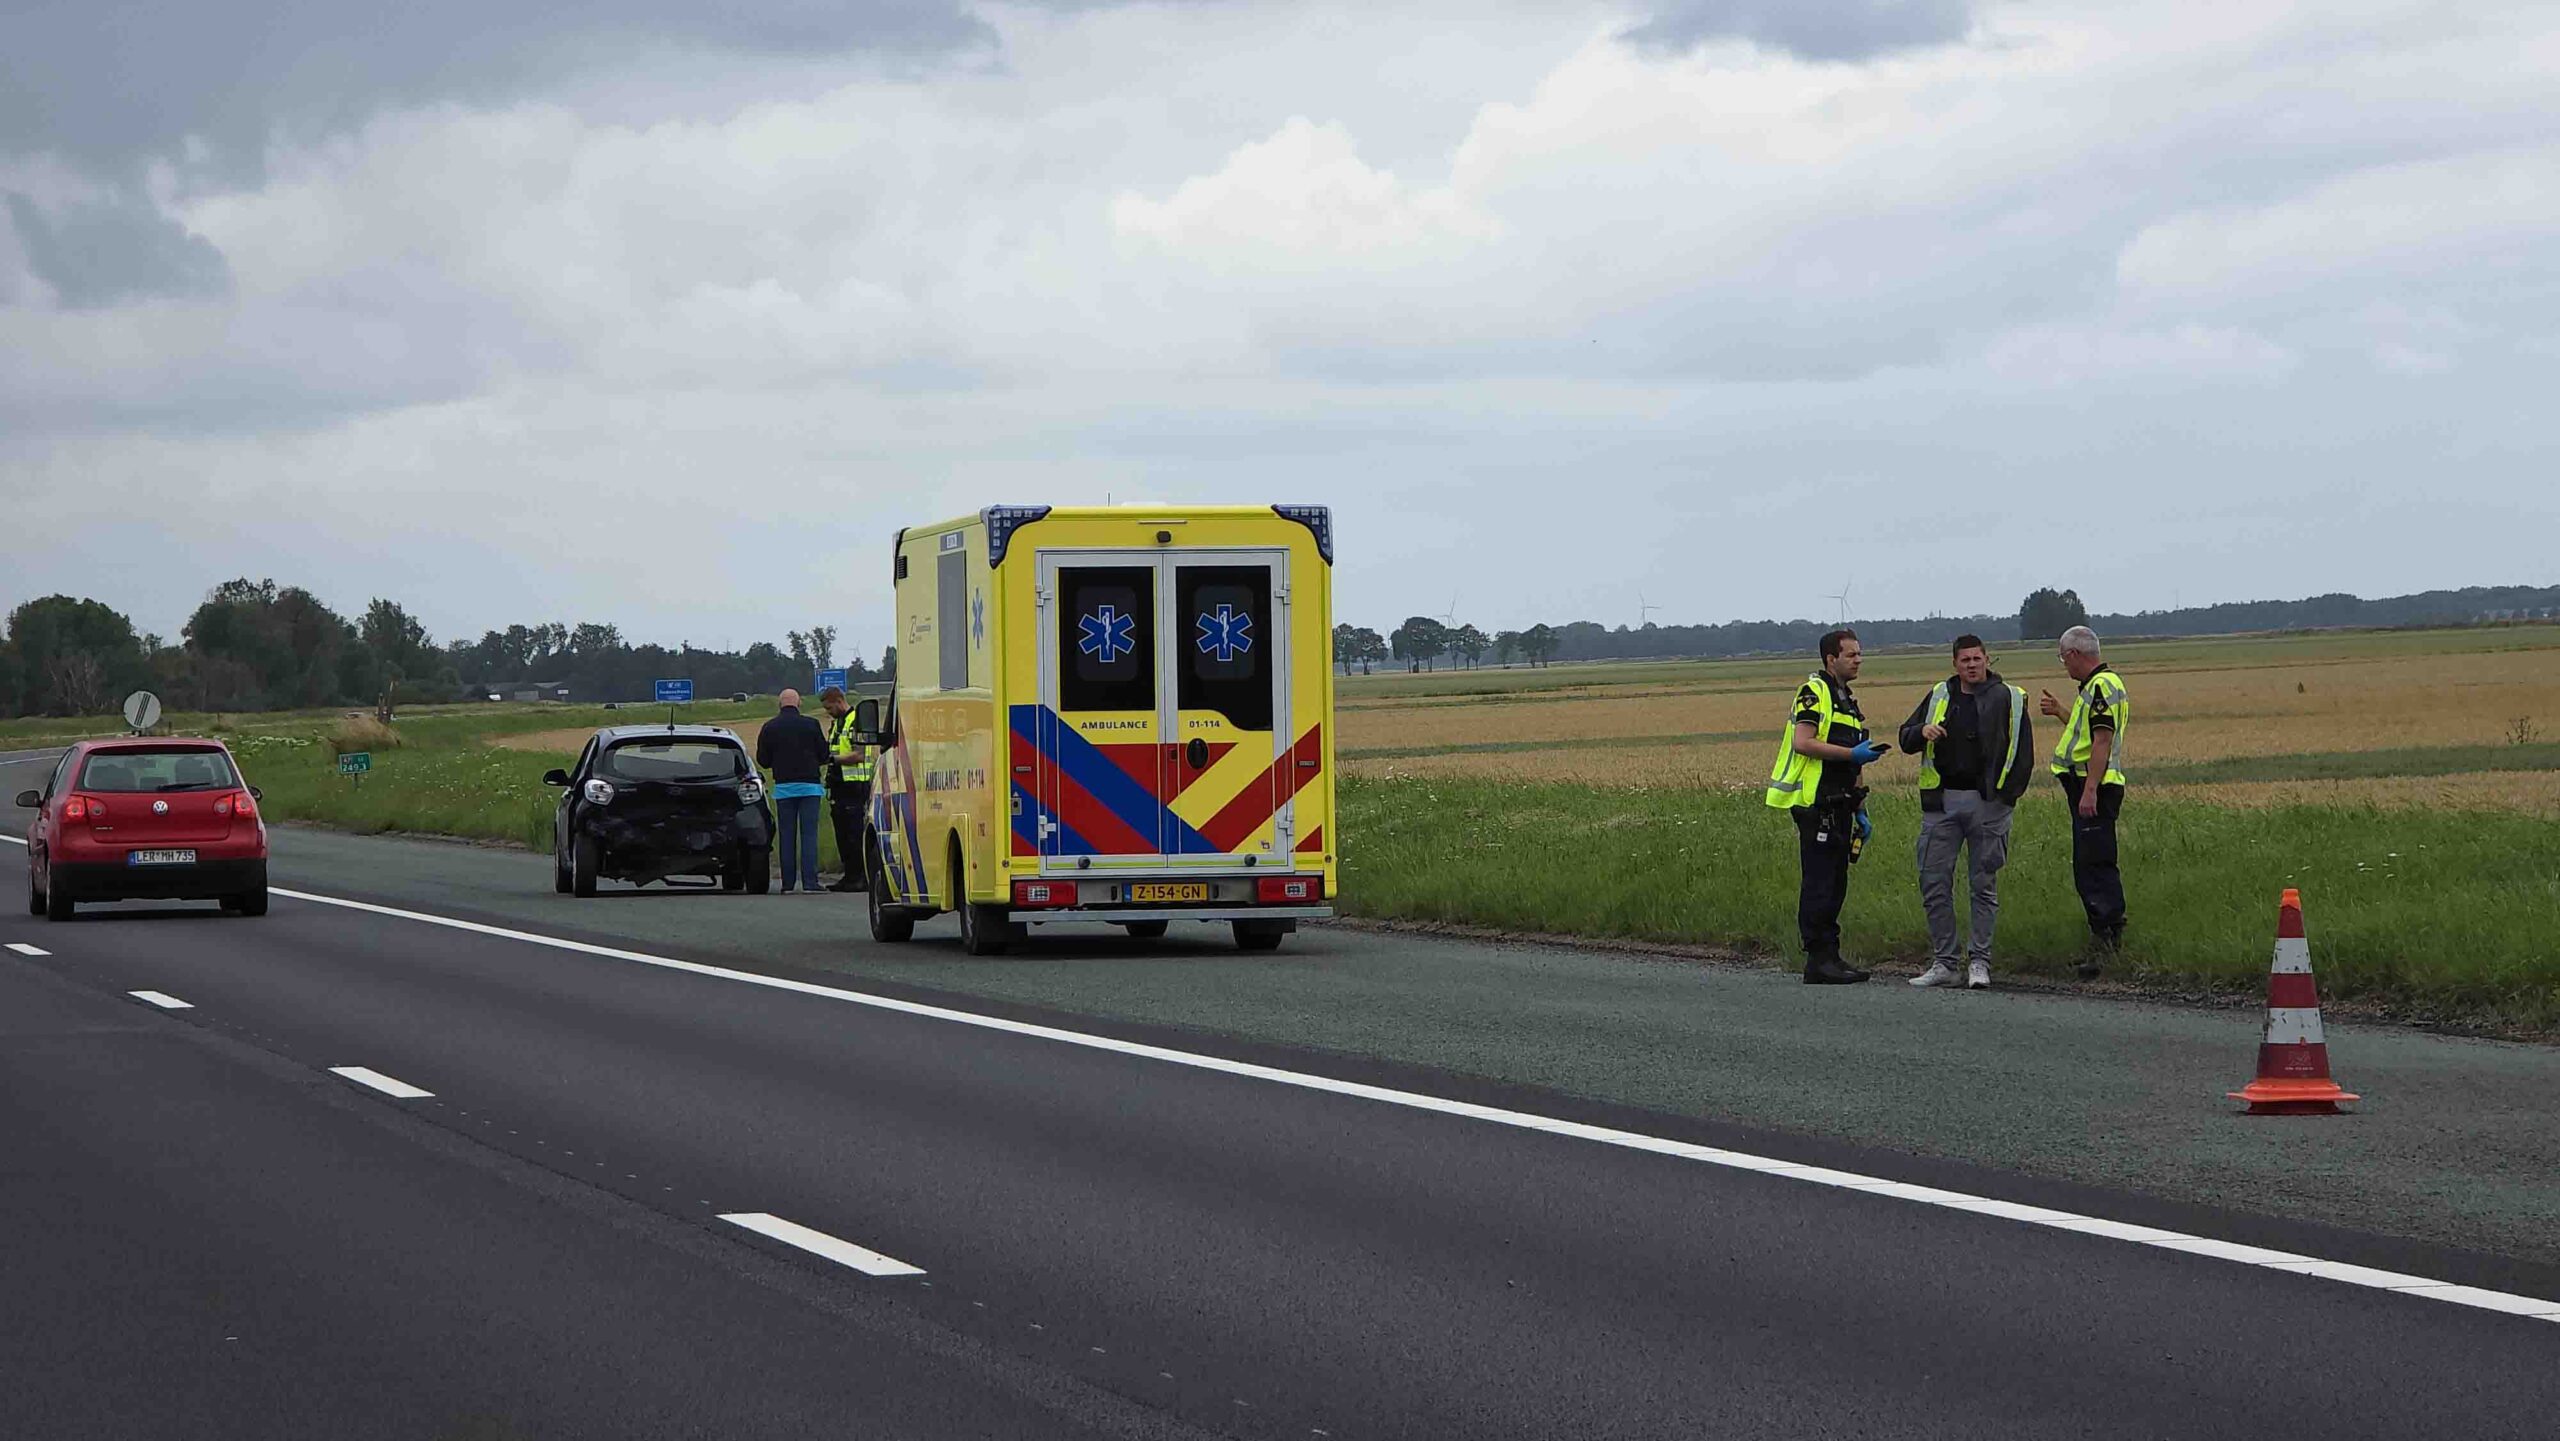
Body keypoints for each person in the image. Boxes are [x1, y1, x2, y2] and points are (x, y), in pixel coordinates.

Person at [1897, 635, 2034, 990]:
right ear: (1955, 664)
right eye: (1965, 660)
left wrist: (2006, 799)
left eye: (1977, 659)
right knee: (1934, 883)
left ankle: (1979, 962)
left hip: (1989, 805)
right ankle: (1945, 963)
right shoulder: (1939, 695)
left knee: (1983, 886)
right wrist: (1922, 731)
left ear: (1987, 659)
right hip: (1941, 804)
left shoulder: (2009, 698)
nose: (1972, 665)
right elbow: (1905, 738)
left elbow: (2023, 754)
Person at [1765, 628, 1894, 984]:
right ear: (1830, 659)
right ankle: (1817, 960)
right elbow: (1803, 743)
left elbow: (1855, 758)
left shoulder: (1847, 700)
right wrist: (1852, 754)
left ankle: (1832, 956)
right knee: (1820, 883)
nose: (1858, 660)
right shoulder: (1814, 692)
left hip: (1841, 803)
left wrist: (1860, 806)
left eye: (1859, 654)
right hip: (1816, 801)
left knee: (1837, 883)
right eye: (1851, 655)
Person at [2039, 625, 2130, 973]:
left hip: (2095, 787)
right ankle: (2101, 938)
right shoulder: (2095, 686)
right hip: (2087, 784)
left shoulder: (2102, 686)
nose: (2064, 665)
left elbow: (2102, 741)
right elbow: (2086, 733)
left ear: (2075, 654)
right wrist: (2061, 711)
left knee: (2095, 865)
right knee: (2087, 863)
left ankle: (2107, 942)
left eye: (2064, 658)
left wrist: (2090, 789)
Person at [755, 688, 831, 895]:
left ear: (779, 704)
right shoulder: (811, 724)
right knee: (809, 835)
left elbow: (763, 760)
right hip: (810, 787)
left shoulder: (769, 727)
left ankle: (787, 884)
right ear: (799, 703)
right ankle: (810, 882)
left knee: (787, 836)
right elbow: (824, 755)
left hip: (784, 789)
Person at [817, 685, 873, 893]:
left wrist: (832, 759)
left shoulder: (856, 720)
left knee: (854, 835)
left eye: (829, 708)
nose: (828, 712)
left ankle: (860, 877)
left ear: (839, 701)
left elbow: (859, 754)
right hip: (840, 785)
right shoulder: (838, 723)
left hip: (855, 786)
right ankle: (849, 876)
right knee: (842, 835)